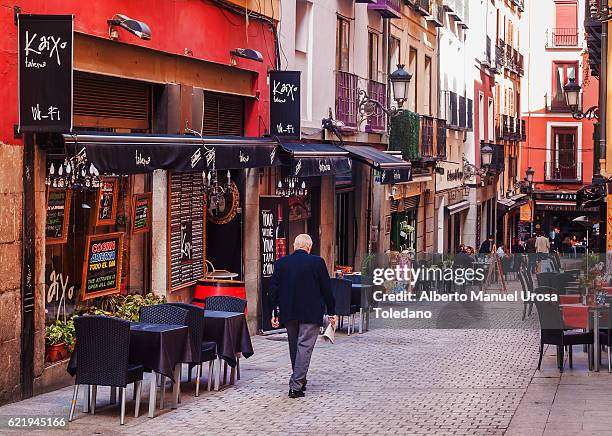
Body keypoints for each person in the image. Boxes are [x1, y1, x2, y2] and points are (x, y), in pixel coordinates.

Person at [269, 234, 336, 399]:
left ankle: (300, 379)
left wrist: (273, 312)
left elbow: (273, 290)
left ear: (294, 246)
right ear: (309, 247)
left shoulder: (282, 263)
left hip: (289, 312)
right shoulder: (317, 262)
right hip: (310, 312)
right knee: (304, 347)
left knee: (294, 346)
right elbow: (326, 289)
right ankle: (296, 386)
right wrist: (332, 312)